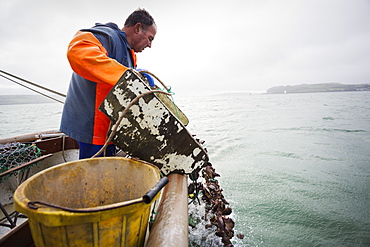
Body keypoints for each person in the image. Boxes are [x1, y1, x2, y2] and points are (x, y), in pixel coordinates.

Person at [60, 8, 157, 159]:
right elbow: (78, 51)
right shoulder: (107, 35)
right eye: (150, 38)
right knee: (93, 176)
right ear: (137, 28)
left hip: (110, 129)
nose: (150, 45)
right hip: (91, 127)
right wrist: (129, 76)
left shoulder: (130, 54)